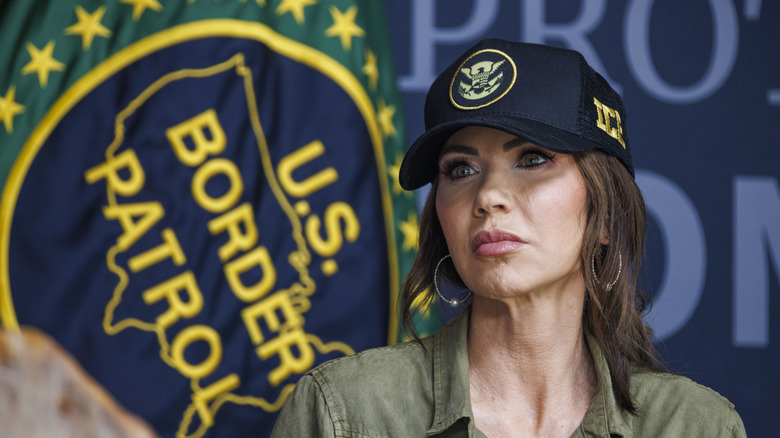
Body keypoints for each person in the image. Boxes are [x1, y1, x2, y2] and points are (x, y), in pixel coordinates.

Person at [271, 39, 746, 437]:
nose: (489, 195)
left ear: (606, 214)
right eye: (460, 169)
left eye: (533, 159)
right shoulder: (345, 413)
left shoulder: (695, 425)